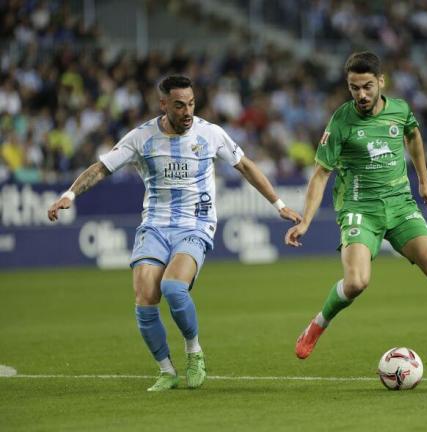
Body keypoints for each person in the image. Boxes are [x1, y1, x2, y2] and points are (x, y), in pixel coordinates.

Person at [47, 75, 301, 390]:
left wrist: (278, 204)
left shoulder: (211, 134)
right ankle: (166, 370)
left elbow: (246, 166)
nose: (187, 111)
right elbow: (101, 167)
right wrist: (69, 195)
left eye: (191, 104)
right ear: (163, 104)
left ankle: (194, 352)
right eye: (179, 105)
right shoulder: (141, 138)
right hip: (155, 224)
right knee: (144, 296)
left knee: (173, 288)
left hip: (196, 223)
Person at [284, 52, 427, 359]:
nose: (361, 94)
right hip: (360, 209)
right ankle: (317, 325)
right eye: (354, 87)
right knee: (357, 282)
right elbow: (320, 175)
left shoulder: (400, 110)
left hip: (400, 204)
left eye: (367, 86)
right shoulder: (341, 121)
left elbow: (413, 135)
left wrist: (424, 180)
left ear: (381, 82)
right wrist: (305, 221)